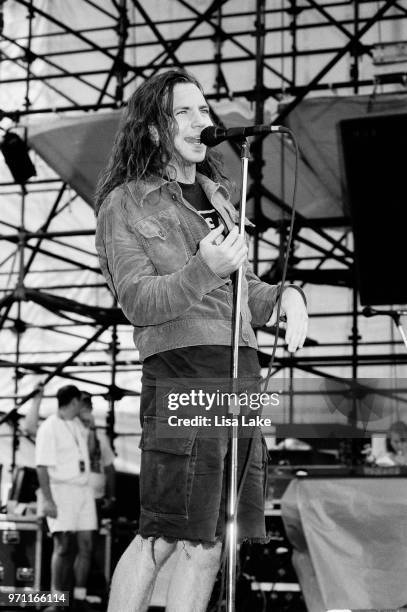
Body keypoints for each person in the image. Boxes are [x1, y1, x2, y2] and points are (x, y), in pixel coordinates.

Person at [95, 69, 308, 612]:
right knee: (165, 531)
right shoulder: (128, 203)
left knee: (212, 539)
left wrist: (282, 297)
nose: (200, 121)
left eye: (203, 110)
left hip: (240, 371)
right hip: (182, 368)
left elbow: (245, 291)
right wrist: (203, 270)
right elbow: (138, 300)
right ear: (151, 130)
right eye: (182, 112)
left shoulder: (219, 197)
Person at [35, 385, 97, 612]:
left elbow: (90, 452)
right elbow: (41, 467)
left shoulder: (78, 424)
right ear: (72, 402)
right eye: (80, 401)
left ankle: (79, 597)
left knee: (86, 545)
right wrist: (49, 501)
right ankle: (55, 600)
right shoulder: (49, 427)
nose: (83, 405)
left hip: (84, 489)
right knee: (62, 545)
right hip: (61, 490)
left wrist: (92, 427)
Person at [78, 391, 116, 519]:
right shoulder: (69, 431)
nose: (86, 408)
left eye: (89, 405)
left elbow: (109, 467)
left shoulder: (100, 435)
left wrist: (111, 496)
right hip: (76, 494)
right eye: (83, 404)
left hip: (96, 496)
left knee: (91, 536)